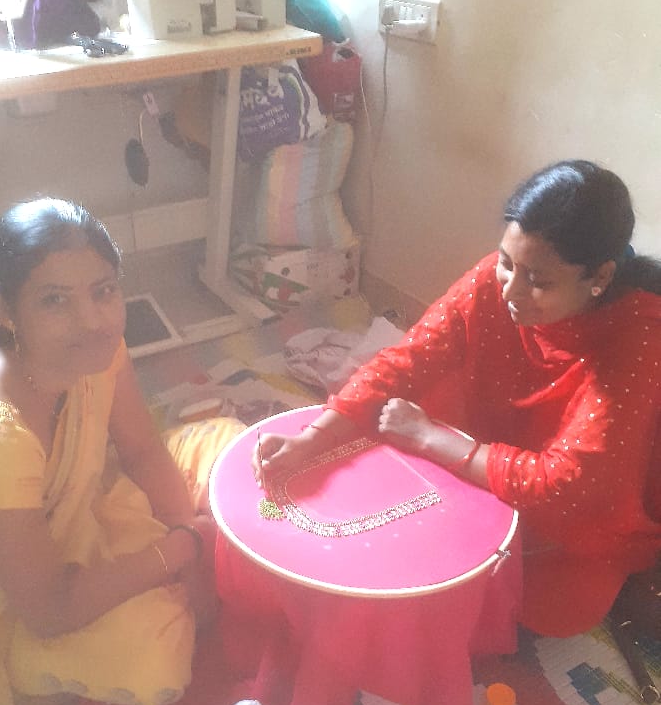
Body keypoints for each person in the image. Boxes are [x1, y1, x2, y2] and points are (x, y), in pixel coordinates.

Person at [253, 160, 661, 639]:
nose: (511, 290)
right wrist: (313, 438)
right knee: (393, 439)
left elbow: (566, 486)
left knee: (524, 608)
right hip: (489, 443)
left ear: (600, 277)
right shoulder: (496, 282)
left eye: (539, 281)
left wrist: (432, 438)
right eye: (507, 262)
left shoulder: (638, 337)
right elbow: (408, 359)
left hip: (572, 504)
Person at [0, 198, 242, 705]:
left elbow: (142, 451)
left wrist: (187, 536)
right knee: (153, 658)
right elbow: (49, 610)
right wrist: (186, 547)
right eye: (55, 300)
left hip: (81, 510)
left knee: (232, 452)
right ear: (5, 309)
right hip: (1, 605)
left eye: (103, 291)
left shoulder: (100, 351)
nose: (91, 321)